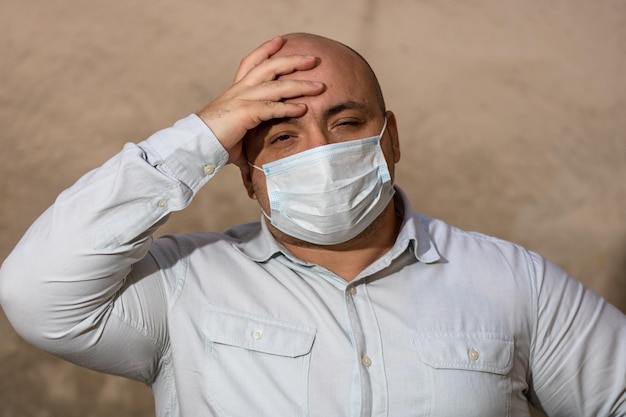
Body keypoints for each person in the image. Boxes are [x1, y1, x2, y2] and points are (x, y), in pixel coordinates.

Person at [0, 33, 624, 417]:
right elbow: (35, 296)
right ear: (245, 173)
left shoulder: (514, 281)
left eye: (347, 122)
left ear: (391, 138)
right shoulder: (181, 286)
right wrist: (202, 134)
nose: (320, 150)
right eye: (283, 135)